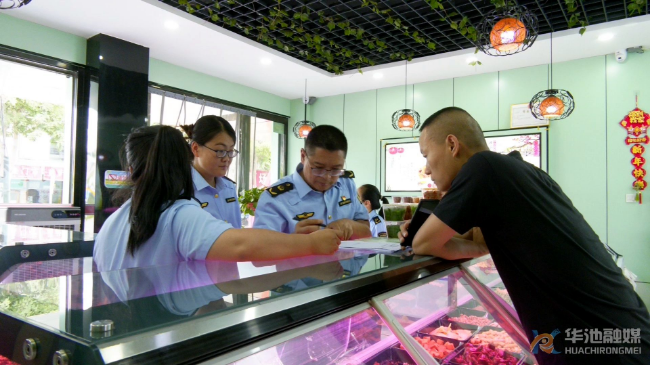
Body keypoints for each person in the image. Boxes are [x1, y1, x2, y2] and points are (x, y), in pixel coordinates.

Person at [399, 107, 650, 364]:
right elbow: (481, 243)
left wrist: (431, 234)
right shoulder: (522, 170)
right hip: (622, 329)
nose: (427, 169)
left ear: (452, 144)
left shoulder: (483, 166)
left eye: (426, 155)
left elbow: (424, 243)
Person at [93, 125, 343, 272]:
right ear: (187, 161)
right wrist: (311, 245)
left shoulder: (116, 219)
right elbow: (241, 245)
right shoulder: (178, 213)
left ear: (131, 170)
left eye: (229, 151)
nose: (225, 158)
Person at [254, 125, 371, 240]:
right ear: (303, 156)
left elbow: (366, 229)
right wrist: (294, 241)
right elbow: (258, 252)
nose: (327, 177)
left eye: (336, 169)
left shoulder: (346, 184)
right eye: (318, 168)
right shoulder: (276, 198)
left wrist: (350, 226)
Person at [180, 116, 241, 228]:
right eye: (220, 151)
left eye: (230, 151)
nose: (227, 158)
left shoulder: (229, 188)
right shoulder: (182, 189)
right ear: (196, 149)